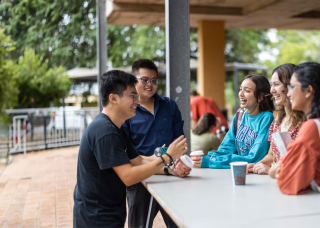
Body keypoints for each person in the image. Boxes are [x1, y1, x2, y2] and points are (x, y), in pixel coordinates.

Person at [73, 70, 188, 227]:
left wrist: (169, 169)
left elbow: (139, 161)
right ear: (113, 98)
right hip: (96, 219)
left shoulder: (116, 128)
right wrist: (167, 157)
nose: (137, 101)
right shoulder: (104, 131)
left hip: (109, 214)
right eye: (132, 96)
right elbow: (128, 176)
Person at [122, 59, 189, 228]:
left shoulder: (170, 105)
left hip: (171, 176)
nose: (149, 84)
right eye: (144, 80)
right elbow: (127, 154)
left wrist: (179, 165)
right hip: (141, 180)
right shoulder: (126, 111)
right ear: (133, 80)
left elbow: (179, 142)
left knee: (178, 223)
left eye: (154, 80)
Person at [192, 75, 274, 169]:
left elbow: (254, 158)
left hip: (254, 173)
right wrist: (210, 158)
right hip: (237, 171)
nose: (241, 94)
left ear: (260, 97)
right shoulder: (239, 115)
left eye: (247, 90)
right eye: (240, 89)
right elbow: (226, 147)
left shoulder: (267, 118)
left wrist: (211, 162)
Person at [269, 62, 320, 195]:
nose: (289, 93)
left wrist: (275, 172)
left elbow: (288, 183)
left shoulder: (312, 127)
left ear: (308, 90)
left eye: (292, 87)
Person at [247, 64, 304, 174]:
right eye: (271, 85)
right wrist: (258, 165)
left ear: (290, 85)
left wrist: (272, 171)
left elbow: (302, 164)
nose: (272, 90)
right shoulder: (277, 121)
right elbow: (272, 155)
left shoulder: (305, 121)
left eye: (276, 84)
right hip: (276, 183)